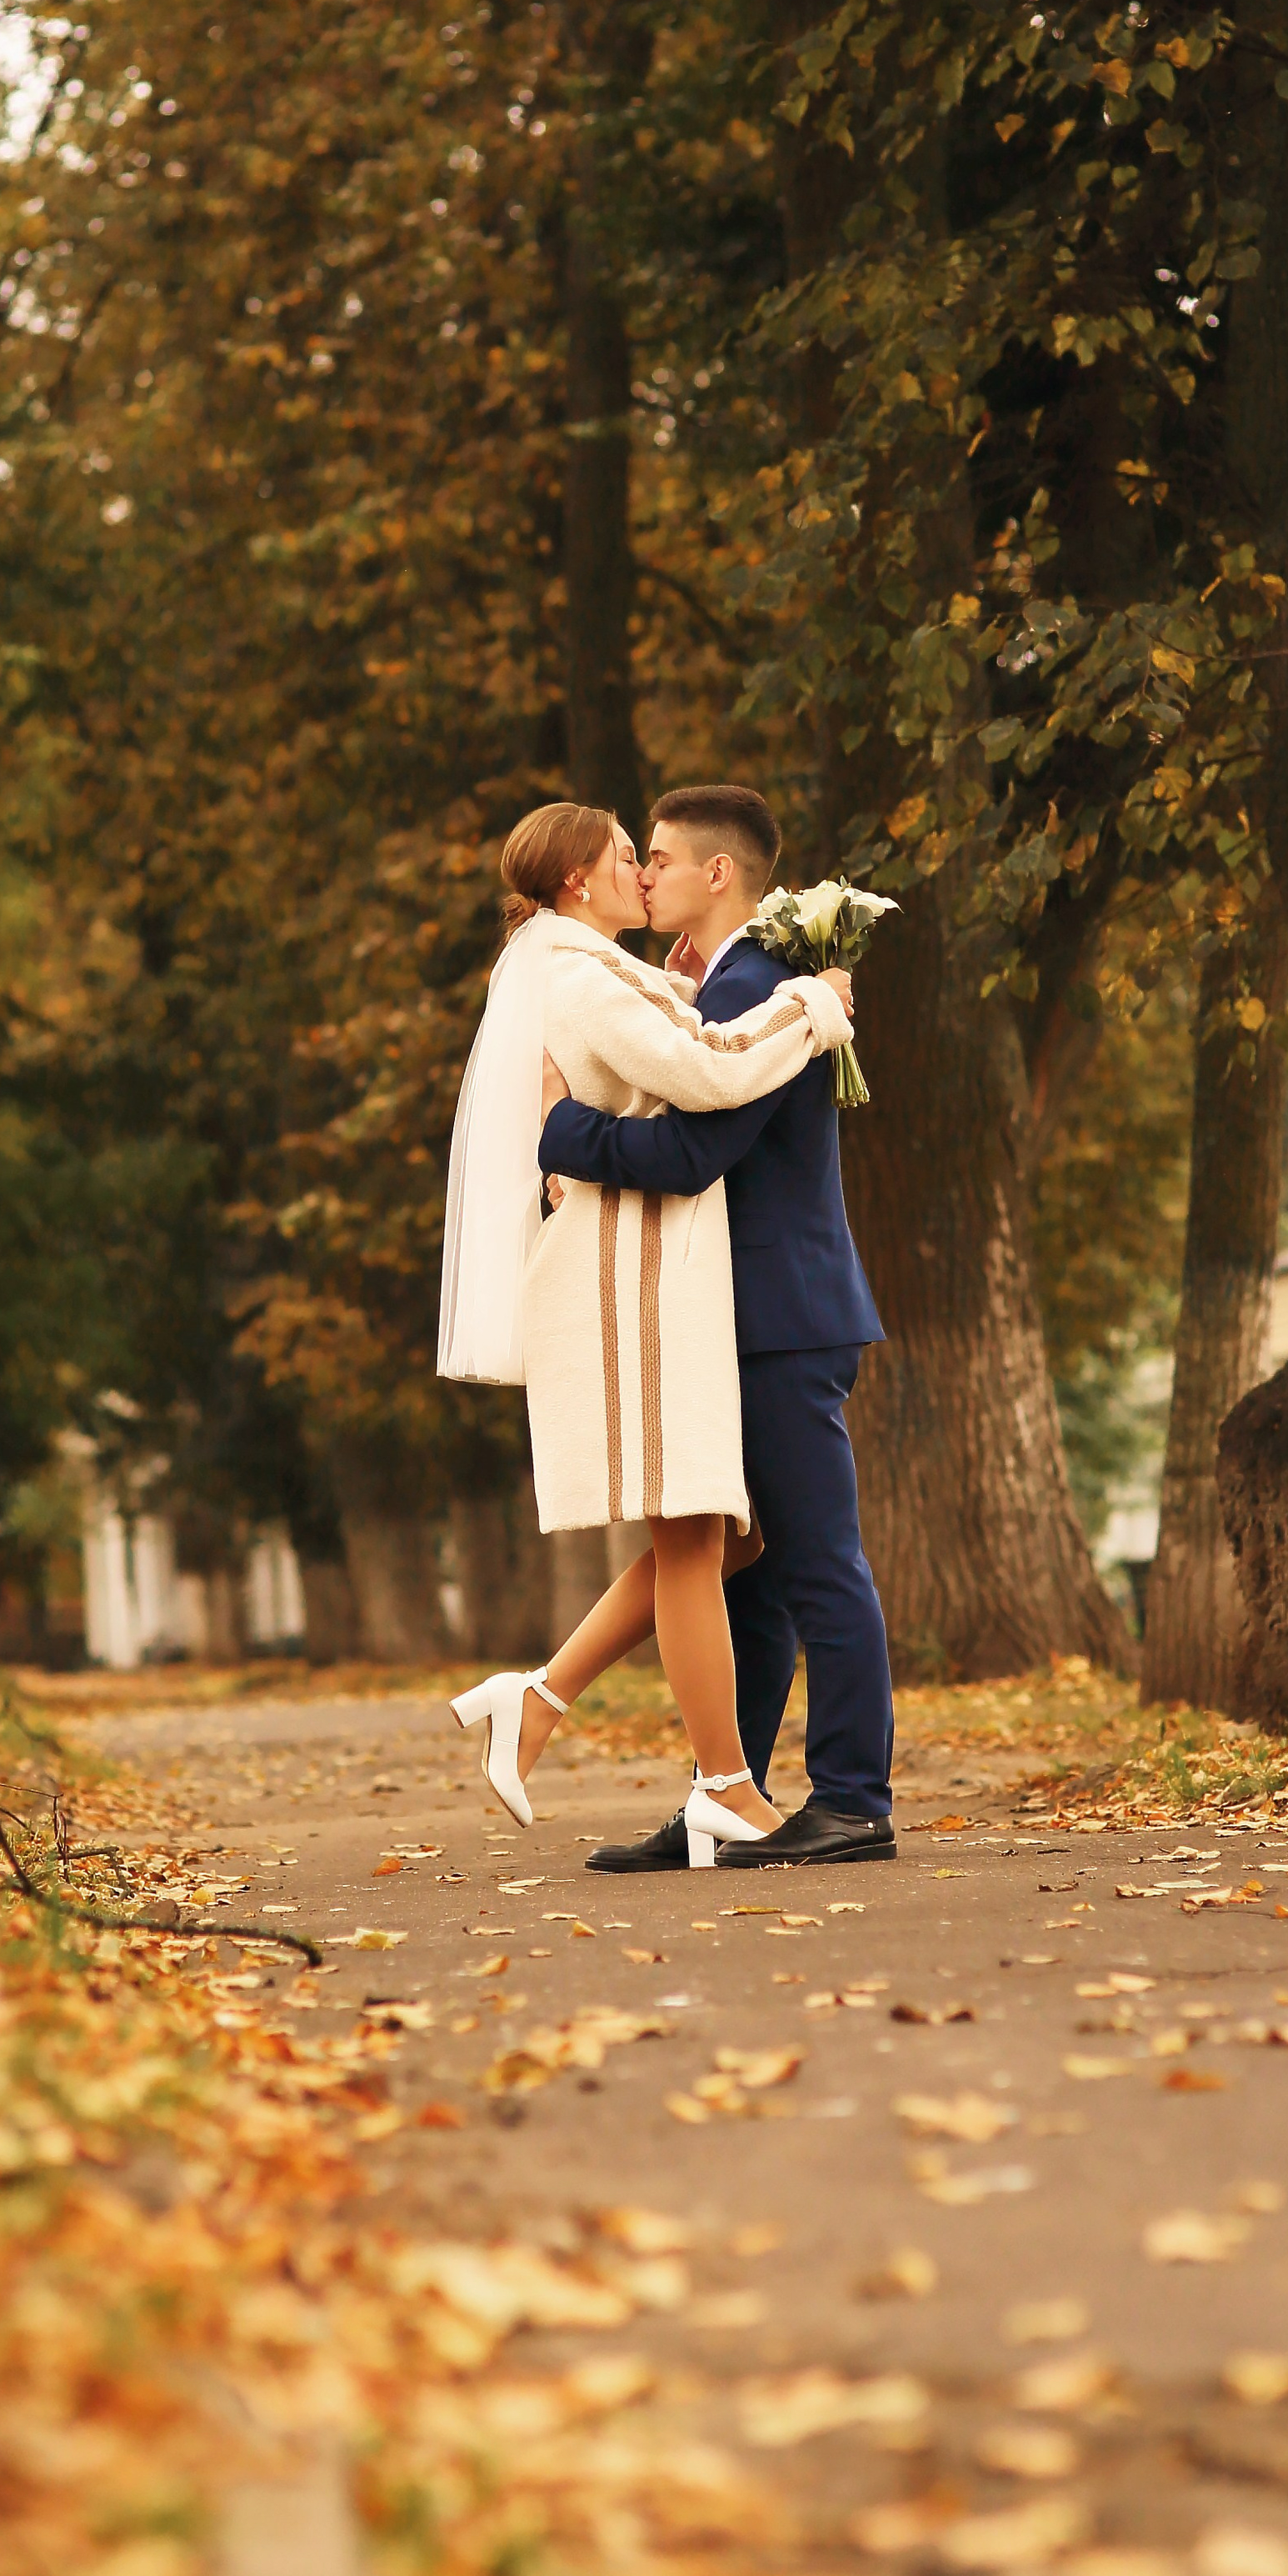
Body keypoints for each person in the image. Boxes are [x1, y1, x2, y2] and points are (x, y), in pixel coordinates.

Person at [437, 801, 854, 1868]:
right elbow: (709, 1068)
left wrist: (690, 982)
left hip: (645, 1272)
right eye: (628, 855)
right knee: (693, 1535)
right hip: (637, 1280)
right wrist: (813, 1004)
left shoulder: (579, 967)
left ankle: (538, 1696)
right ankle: (723, 1785)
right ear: (579, 880)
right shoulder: (582, 971)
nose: (641, 868)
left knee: (725, 1538)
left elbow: (667, 1027)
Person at [541, 783, 896, 1871]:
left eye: (656, 858)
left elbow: (698, 1154)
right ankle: (725, 1796)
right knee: (749, 1574)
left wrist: (564, 1132)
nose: (642, 875)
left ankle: (852, 1801)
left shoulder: (753, 979)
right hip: (749, 1313)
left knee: (818, 1564)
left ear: (717, 875)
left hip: (780, 1312)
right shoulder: (718, 979)